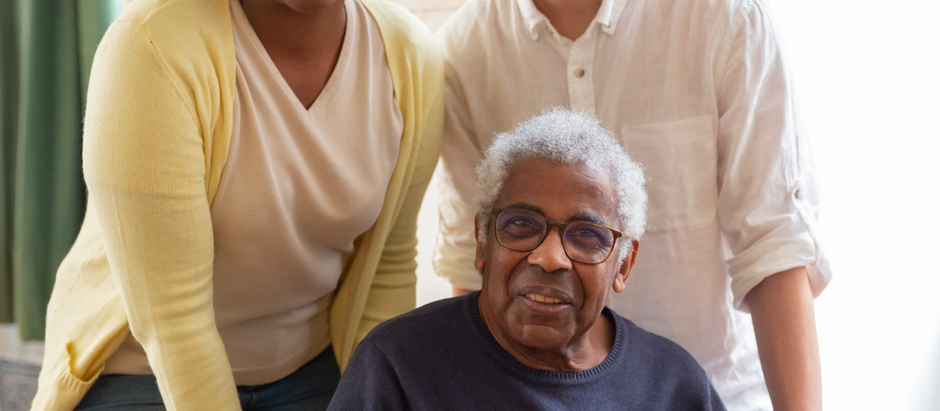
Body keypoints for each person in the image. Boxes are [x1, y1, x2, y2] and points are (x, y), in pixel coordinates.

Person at [31, 0, 442, 409]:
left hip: (312, 365)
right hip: (142, 370)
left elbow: (386, 266)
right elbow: (174, 323)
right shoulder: (149, 49)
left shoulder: (410, 57)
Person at [434, 0, 830, 409]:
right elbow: (474, 261)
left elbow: (775, 246)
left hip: (714, 393)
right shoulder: (462, 49)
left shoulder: (727, 19)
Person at [328, 109, 726, 411]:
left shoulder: (674, 385)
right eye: (521, 224)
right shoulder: (398, 366)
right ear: (482, 242)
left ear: (622, 265)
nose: (550, 258)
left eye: (586, 235)